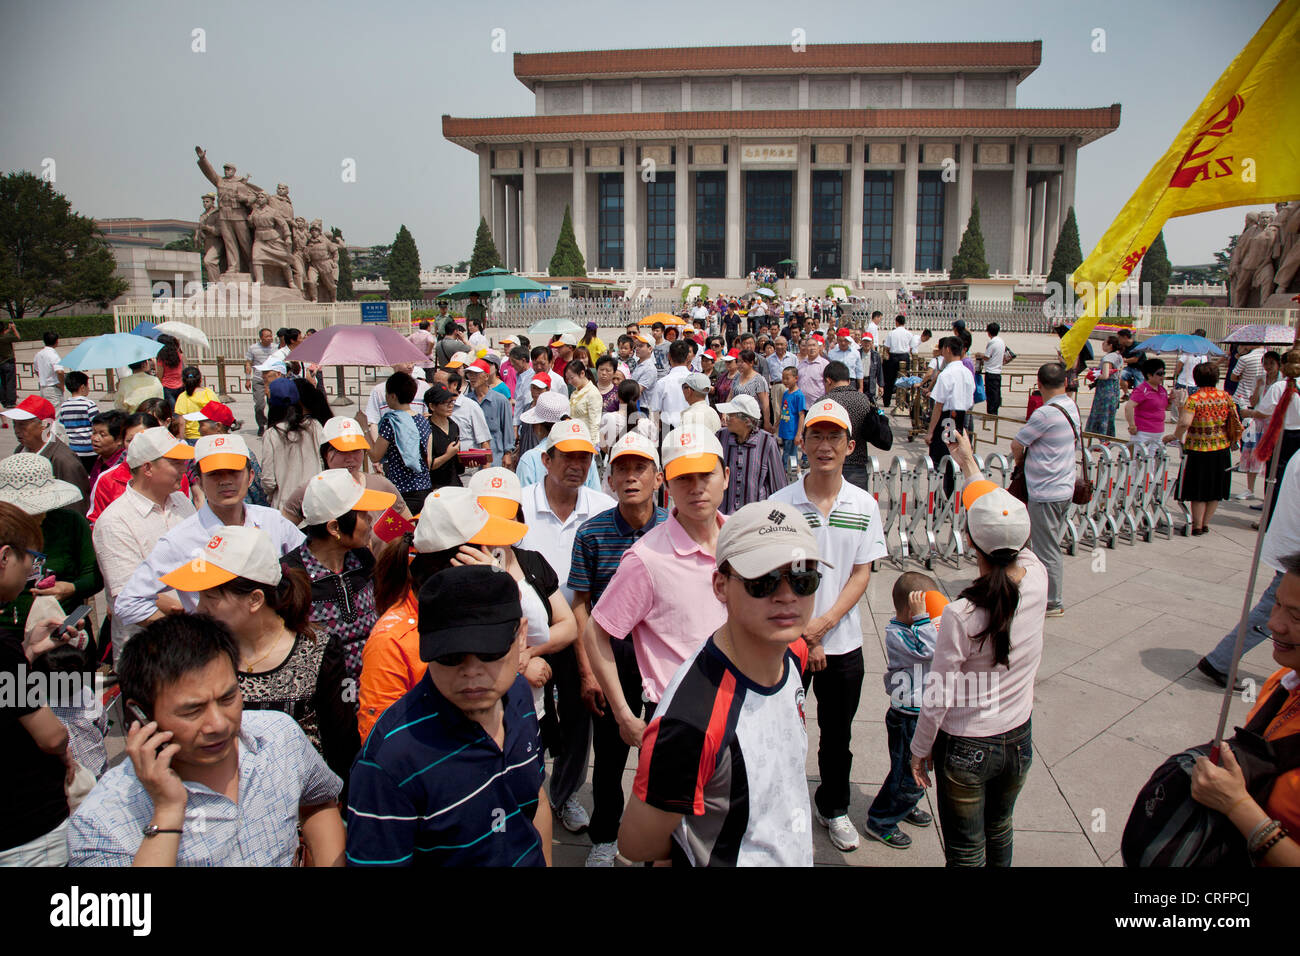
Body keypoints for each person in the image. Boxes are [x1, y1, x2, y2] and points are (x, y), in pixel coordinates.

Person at [618, 502, 822, 866]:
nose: (787, 595)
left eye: (803, 577)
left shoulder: (793, 653)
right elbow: (639, 845)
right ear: (721, 585)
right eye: (764, 580)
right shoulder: (691, 723)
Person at [68, 614, 346, 866]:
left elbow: (319, 802)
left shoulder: (279, 736)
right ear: (138, 714)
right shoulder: (102, 823)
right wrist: (167, 813)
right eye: (193, 710)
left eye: (228, 698)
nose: (218, 724)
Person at [346, 565, 553, 867]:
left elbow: (534, 801)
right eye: (450, 656)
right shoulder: (389, 762)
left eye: (489, 652)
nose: (471, 671)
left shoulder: (519, 696)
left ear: (521, 636)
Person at [910, 433, 1047, 866]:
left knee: (966, 851)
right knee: (1000, 828)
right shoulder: (1039, 577)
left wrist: (920, 748)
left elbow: (939, 693)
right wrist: (970, 463)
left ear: (970, 541)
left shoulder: (961, 614)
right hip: (1019, 737)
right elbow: (998, 510)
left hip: (968, 744)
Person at [767, 397, 888, 851]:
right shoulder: (780, 504)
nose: (824, 445)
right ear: (802, 442)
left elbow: (861, 572)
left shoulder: (863, 505)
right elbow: (776, 573)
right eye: (815, 435)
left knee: (838, 736)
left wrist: (825, 625)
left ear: (850, 445)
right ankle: (778, 805)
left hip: (843, 643)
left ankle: (834, 806)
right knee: (780, 731)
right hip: (786, 643)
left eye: (833, 437)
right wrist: (804, 632)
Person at [156, 524, 360, 785]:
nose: (200, 609)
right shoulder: (197, 654)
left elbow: (342, 743)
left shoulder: (319, 651)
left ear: (254, 600)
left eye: (210, 598)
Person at [585, 426, 730, 749]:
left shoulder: (743, 539)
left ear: (726, 476)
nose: (696, 488)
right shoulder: (646, 559)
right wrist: (624, 715)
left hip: (743, 706)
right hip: (678, 717)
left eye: (705, 475)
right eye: (684, 478)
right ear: (668, 482)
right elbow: (595, 633)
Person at [566, 433, 670, 865]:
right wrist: (589, 671)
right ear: (608, 480)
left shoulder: (675, 527)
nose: (631, 478)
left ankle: (665, 835)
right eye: (622, 470)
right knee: (609, 756)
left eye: (640, 468)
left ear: (658, 477)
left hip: (665, 656)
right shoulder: (591, 534)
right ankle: (606, 835)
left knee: (669, 753)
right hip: (615, 656)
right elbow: (581, 607)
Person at [519, 418, 616, 834]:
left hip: (582, 634)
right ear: (546, 459)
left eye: (584, 457)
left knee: (580, 717)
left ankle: (565, 793)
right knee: (525, 718)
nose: (576, 465)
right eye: (568, 456)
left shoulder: (602, 509)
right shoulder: (518, 505)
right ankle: (525, 790)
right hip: (528, 638)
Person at [115, 433, 306, 625]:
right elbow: (128, 603)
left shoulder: (273, 521)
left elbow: (313, 565)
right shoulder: (180, 539)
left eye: (234, 472)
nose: (225, 481)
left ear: (250, 477)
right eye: (214, 474)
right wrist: (188, 636)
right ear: (199, 481)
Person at [1189, 550, 1300, 866]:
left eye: (1297, 617)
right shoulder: (1281, 684)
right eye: (1277, 603)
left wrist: (1237, 805)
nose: (1274, 624)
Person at [0, 502, 78, 866]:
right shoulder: (2, 652)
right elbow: (50, 736)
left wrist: (29, 651)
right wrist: (66, 746)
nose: (33, 567)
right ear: (5, 557)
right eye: (30, 556)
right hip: (26, 833)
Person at [92, 426, 196, 663]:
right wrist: (185, 629)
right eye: (175, 463)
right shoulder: (115, 522)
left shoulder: (180, 502)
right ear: (148, 468)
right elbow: (127, 598)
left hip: (190, 644)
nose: (183, 470)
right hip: (148, 654)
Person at [284, 469, 394, 688]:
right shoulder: (290, 575)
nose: (370, 519)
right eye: (362, 514)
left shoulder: (363, 558)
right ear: (334, 527)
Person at [866, 572, 940, 848]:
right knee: (907, 773)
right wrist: (924, 620)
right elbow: (929, 651)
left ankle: (905, 805)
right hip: (907, 717)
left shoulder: (918, 629)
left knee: (921, 768)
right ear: (913, 610)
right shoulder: (897, 634)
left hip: (923, 713)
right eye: (927, 610)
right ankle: (881, 819)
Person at [0, 453, 101, 634]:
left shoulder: (71, 523)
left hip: (63, 627)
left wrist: (70, 588)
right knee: (21, 663)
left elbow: (94, 576)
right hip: (9, 633)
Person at [1012, 363, 1081, 618]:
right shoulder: (1071, 407)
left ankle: (1052, 601)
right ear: (1065, 383)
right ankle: (1036, 589)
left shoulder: (1044, 414)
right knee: (1045, 543)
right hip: (1064, 487)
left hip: (1046, 490)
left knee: (1047, 548)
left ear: (1038, 384)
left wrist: (1020, 463)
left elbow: (1017, 444)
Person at [1169, 360, 1241, 536]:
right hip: (1221, 448)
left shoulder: (1194, 399)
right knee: (1215, 489)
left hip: (1198, 449)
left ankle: (1197, 525)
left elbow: (1185, 422)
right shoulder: (1225, 396)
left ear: (1196, 378)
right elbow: (1235, 420)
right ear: (1216, 378)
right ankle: (1206, 523)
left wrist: (1175, 436)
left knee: (1198, 489)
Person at [3, 395, 90, 516]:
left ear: (45, 425)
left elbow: (75, 508)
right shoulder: (20, 451)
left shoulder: (64, 460)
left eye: (23, 425)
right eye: (15, 424)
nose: (17, 430)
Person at [368, 371, 432, 515]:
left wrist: (364, 435)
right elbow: (428, 458)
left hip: (400, 489)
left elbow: (375, 456)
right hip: (424, 486)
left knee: (400, 534)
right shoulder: (423, 421)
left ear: (393, 396)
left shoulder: (391, 422)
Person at [1251, 350, 1300, 529]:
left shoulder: (1280, 387)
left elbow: (1264, 411)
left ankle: (1270, 519)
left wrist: (1248, 413)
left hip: (1283, 435)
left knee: (1275, 478)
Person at [260, 378, 327, 510]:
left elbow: (268, 481)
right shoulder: (314, 426)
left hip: (286, 508)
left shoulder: (271, 434)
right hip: (314, 504)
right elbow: (323, 463)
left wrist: (271, 495)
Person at [715, 394, 786, 514]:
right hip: (725, 515)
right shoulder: (721, 436)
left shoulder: (767, 442)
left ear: (747, 421)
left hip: (756, 518)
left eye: (731, 415)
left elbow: (779, 486)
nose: (726, 418)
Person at [927, 336, 976, 497]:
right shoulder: (967, 373)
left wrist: (930, 431)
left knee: (941, 461)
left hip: (947, 420)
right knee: (958, 460)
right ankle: (955, 498)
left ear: (947, 349)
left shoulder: (947, 374)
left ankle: (941, 499)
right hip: (961, 419)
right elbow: (970, 401)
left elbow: (938, 406)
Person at [822, 361, 879, 491]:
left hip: (830, 463)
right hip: (857, 464)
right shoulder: (863, 400)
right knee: (856, 507)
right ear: (848, 380)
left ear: (828, 380)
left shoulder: (824, 403)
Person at [465, 360, 515, 467]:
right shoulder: (466, 401)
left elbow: (507, 428)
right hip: (473, 456)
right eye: (470, 374)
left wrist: (507, 453)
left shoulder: (500, 400)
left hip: (495, 455)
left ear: (486, 376)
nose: (472, 377)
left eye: (476, 374)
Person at [1123, 358, 1170, 459]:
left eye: (1163, 373)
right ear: (1149, 375)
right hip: (1143, 432)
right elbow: (1129, 407)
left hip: (1158, 432)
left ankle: (1150, 476)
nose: (1162, 376)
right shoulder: (1142, 389)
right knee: (1139, 460)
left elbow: (1164, 407)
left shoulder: (1162, 390)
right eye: (1159, 373)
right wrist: (1132, 425)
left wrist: (1173, 400)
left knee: (1152, 460)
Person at [57, 371, 99, 472]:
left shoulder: (64, 406)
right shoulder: (89, 404)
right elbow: (97, 424)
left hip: (74, 449)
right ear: (83, 387)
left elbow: (62, 425)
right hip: (91, 449)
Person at [1085, 335, 1124, 437]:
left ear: (1110, 345)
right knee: (1109, 414)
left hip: (1105, 389)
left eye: (1104, 342)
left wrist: (1095, 375)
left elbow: (1105, 375)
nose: (1102, 344)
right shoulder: (1118, 356)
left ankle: (1101, 437)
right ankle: (1107, 438)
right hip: (1114, 388)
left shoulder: (1108, 358)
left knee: (1101, 414)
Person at [244, 328, 277, 436]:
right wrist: (248, 379)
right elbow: (248, 363)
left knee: (273, 404)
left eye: (270, 336)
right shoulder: (253, 348)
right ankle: (261, 424)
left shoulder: (275, 347)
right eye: (267, 336)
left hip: (272, 381)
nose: (269, 338)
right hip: (258, 380)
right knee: (259, 405)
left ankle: (272, 425)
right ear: (261, 338)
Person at [1171, 330, 1209, 421]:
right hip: (1195, 385)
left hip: (1183, 383)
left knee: (1180, 403)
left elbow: (1178, 368)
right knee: (1192, 405)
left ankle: (1178, 418)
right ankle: (1190, 418)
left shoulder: (1186, 354)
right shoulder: (1203, 357)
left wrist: (1175, 376)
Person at [87, 409, 128, 491]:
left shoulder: (124, 467)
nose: (95, 439)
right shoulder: (100, 459)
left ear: (119, 439)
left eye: (102, 435)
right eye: (94, 433)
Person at [173, 366, 217, 441]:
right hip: (209, 435)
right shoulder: (209, 393)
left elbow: (181, 422)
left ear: (183, 381)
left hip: (191, 437)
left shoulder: (183, 397)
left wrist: (181, 438)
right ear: (201, 380)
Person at [777, 365, 807, 466]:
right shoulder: (786, 393)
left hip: (792, 432)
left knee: (790, 457)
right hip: (784, 430)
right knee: (785, 452)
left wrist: (799, 434)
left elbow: (801, 415)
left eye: (787, 378)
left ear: (796, 378)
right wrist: (775, 426)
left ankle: (790, 476)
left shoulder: (799, 395)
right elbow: (782, 412)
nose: (784, 381)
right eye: (783, 378)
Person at [566, 360, 603, 441]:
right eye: (568, 379)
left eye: (572, 378)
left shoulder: (592, 393)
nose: (570, 382)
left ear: (582, 373)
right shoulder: (575, 393)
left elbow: (595, 423)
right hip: (574, 436)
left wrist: (593, 445)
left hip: (586, 439)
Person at [882, 315, 912, 407]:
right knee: (904, 379)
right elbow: (911, 347)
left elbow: (887, 347)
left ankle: (887, 401)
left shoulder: (892, 333)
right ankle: (903, 401)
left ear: (896, 322)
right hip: (904, 356)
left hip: (894, 357)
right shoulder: (909, 333)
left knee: (889, 380)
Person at [977, 323, 1006, 417]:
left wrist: (980, 355)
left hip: (991, 371)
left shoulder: (992, 342)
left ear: (988, 332)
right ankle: (994, 412)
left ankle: (991, 413)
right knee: (996, 393)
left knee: (991, 394)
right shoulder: (1001, 341)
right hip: (998, 371)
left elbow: (987, 357)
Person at [797, 335, 830, 404]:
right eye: (809, 346)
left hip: (818, 404)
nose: (812, 348)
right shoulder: (801, 364)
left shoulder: (825, 364)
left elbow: (829, 385)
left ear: (818, 348)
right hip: (802, 405)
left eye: (814, 345)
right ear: (806, 348)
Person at [34, 331, 64, 406]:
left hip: (43, 388)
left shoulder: (39, 354)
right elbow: (60, 371)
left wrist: (44, 378)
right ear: (56, 341)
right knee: (56, 414)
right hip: (53, 388)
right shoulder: (53, 355)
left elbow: (36, 370)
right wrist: (61, 385)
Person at [156, 335, 185, 404]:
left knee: (172, 410)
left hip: (167, 387)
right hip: (180, 385)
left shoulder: (161, 358)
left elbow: (160, 375)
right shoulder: (179, 355)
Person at [0, 320, 19, 408]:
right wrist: (14, 328)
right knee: (10, 382)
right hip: (8, 361)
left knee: (3, 382)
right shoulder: (6, 337)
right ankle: (11, 401)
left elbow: (4, 333)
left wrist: (9, 329)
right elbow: (18, 337)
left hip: (1, 363)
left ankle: (4, 400)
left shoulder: (3, 336)